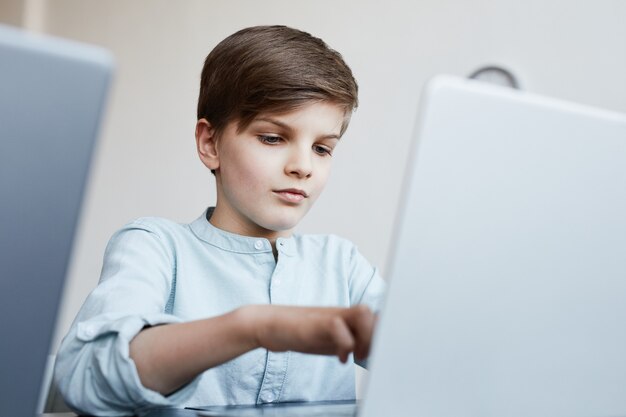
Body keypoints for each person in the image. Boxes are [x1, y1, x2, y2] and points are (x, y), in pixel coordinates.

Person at [54, 25, 386, 416]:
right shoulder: (155, 246)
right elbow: (86, 379)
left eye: (322, 148)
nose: (303, 167)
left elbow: (434, 359)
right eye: (272, 138)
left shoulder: (342, 265)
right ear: (210, 143)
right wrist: (252, 327)